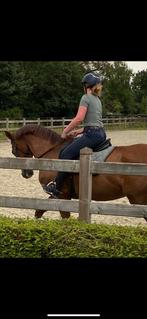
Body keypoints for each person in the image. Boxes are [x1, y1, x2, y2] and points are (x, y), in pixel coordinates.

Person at [44, 72, 107, 197]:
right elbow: (94, 122)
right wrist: (78, 131)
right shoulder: (97, 100)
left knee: (65, 153)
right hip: (100, 133)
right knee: (68, 149)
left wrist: (65, 131)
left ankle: (56, 186)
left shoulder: (85, 98)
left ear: (86, 86)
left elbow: (79, 118)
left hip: (92, 134)